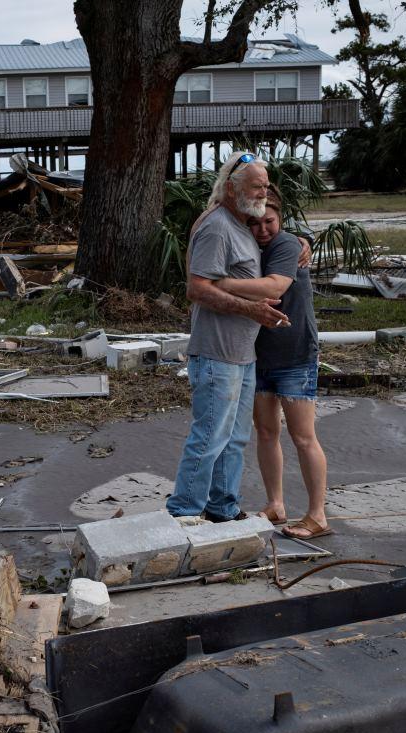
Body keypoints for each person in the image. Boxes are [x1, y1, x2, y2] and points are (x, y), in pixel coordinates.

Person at [165, 152, 290, 523]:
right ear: (233, 190)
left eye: (266, 185)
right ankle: (184, 512)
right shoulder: (218, 226)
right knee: (209, 438)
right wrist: (251, 310)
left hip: (241, 354)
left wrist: (302, 244)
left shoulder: (243, 223)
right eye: (257, 186)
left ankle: (222, 506)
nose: (264, 191)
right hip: (216, 354)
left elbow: (279, 233)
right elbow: (197, 289)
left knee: (234, 440)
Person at [214, 187, 331, 539]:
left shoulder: (287, 245)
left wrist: (219, 283)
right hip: (258, 355)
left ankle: (317, 514)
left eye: (270, 221)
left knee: (303, 436)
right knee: (266, 432)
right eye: (255, 223)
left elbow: (274, 290)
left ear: (281, 220)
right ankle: (275, 503)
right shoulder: (249, 245)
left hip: (295, 355)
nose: (263, 229)